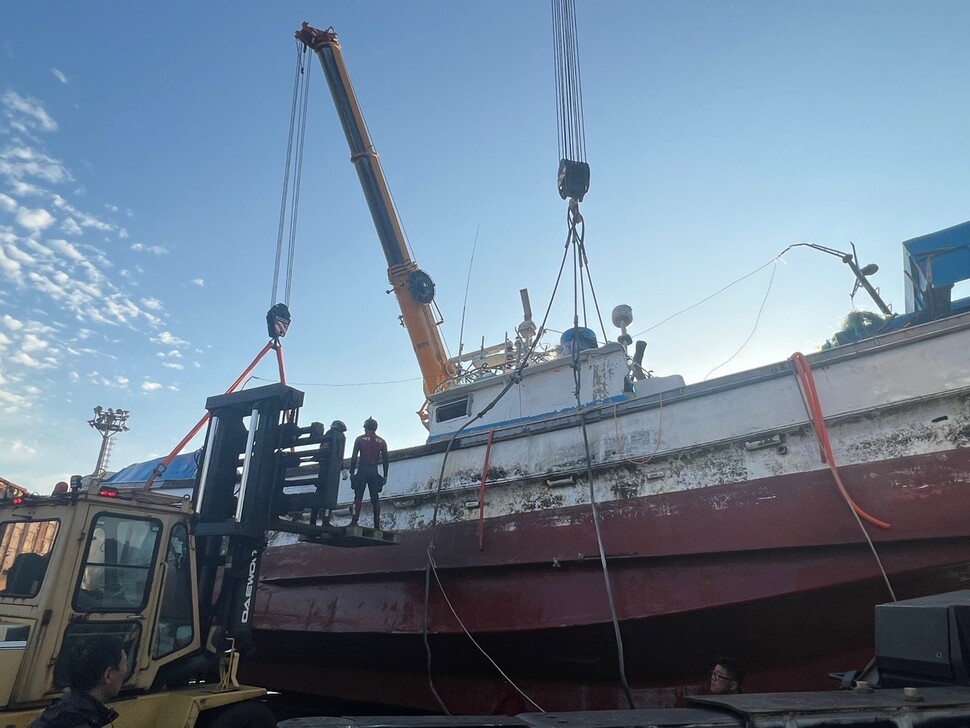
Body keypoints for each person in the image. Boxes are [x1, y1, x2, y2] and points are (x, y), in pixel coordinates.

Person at [33, 635, 127, 727]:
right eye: (124, 665)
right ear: (108, 675)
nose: (125, 672)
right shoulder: (83, 721)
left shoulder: (59, 712)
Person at [349, 417, 389, 529]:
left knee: (358, 497)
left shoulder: (360, 439)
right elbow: (386, 460)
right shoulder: (382, 441)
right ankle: (377, 525)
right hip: (373, 471)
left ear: (365, 427)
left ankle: (354, 521)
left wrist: (352, 472)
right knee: (375, 498)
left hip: (362, 470)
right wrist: (385, 475)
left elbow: (354, 458)